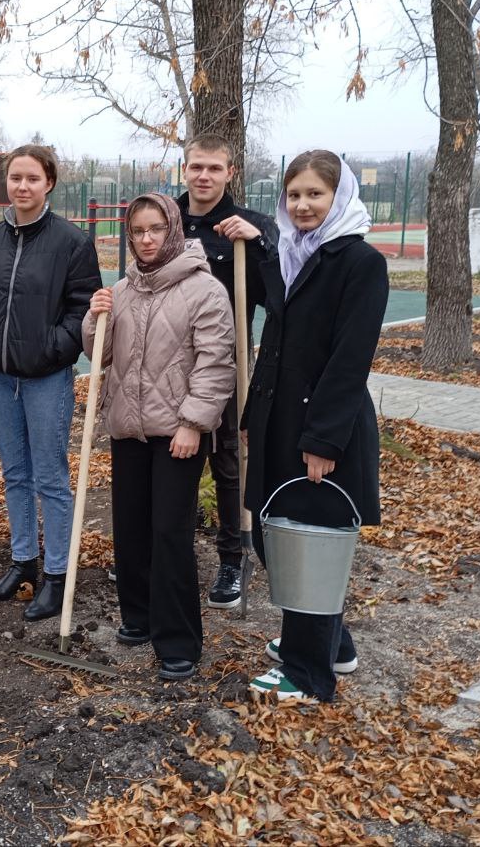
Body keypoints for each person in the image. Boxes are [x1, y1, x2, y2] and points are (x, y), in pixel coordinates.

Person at [240, 150, 388, 704]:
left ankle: (306, 675)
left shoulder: (359, 263)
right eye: (294, 195)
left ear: (339, 197)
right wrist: (255, 415)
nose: (302, 205)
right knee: (272, 535)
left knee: (308, 544)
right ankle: (334, 644)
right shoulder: (290, 255)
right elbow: (274, 348)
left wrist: (323, 441)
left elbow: (350, 360)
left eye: (314, 195)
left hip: (324, 431)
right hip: (279, 421)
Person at [85, 193, 234, 680]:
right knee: (131, 526)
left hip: (177, 433)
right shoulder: (124, 289)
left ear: (172, 231)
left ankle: (179, 639)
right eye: (137, 232)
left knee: (170, 533)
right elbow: (100, 356)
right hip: (129, 427)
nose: (145, 239)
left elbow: (215, 363)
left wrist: (193, 422)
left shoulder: (203, 290)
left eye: (154, 230)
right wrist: (94, 317)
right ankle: (139, 617)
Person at [0, 145, 101, 621]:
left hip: (46, 378)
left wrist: (53, 349)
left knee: (50, 478)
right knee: (14, 474)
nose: (22, 187)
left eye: (32, 179)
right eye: (15, 178)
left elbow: (82, 306)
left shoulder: (71, 242)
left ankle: (57, 577)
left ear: (49, 184)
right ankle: (23, 562)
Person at [177, 133, 278, 610]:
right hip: (170, 364)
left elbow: (274, 296)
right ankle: (167, 552)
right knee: (172, 455)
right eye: (197, 166)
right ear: (184, 169)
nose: (204, 176)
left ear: (230, 173)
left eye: (214, 168)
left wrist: (258, 246)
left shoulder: (250, 226)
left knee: (228, 460)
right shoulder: (165, 219)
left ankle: (232, 558)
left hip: (228, 362)